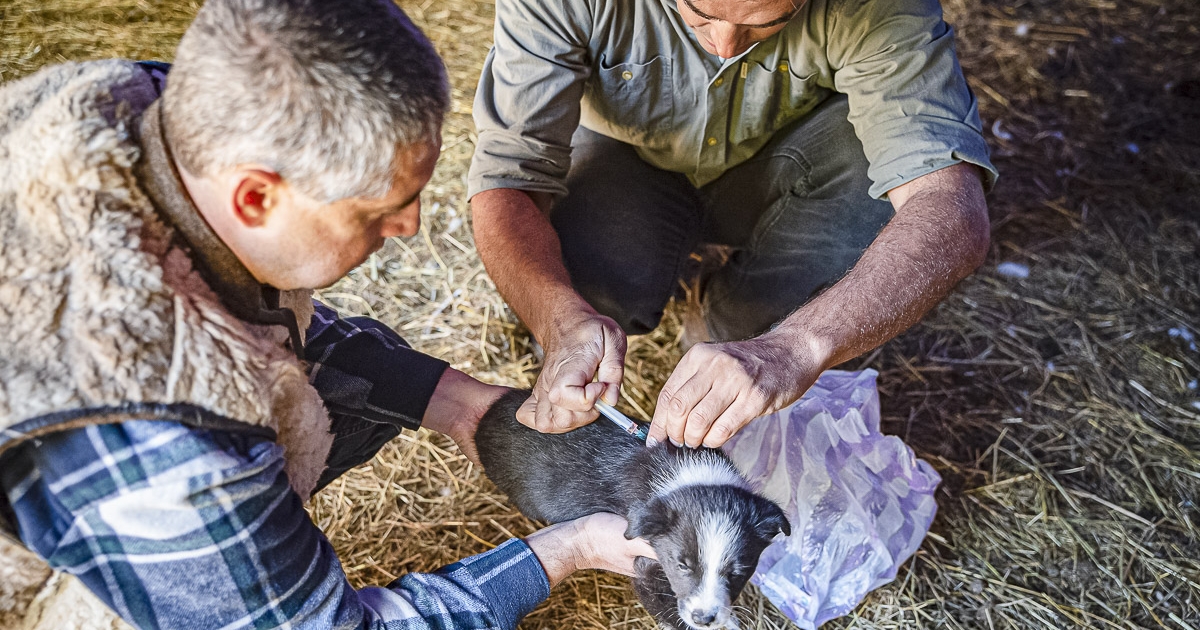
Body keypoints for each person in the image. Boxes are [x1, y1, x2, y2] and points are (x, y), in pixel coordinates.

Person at [0, 0, 653, 628]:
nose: (410, 226)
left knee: (371, 385)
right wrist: (572, 548)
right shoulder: (159, 435)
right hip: (53, 550)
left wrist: (467, 407)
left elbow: (260, 333)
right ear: (256, 197)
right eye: (375, 212)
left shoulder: (144, 127)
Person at [468, 0, 998, 449]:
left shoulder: (879, 8)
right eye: (700, 12)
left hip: (785, 154)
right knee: (594, 289)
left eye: (767, 21)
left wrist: (794, 348)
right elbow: (509, 176)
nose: (723, 46)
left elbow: (949, 206)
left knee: (768, 319)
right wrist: (557, 321)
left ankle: (731, 319)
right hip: (626, 155)